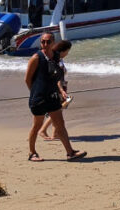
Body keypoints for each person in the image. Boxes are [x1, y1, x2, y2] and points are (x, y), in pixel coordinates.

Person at [27, 33, 85, 161]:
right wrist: (35, 92)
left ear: (53, 42)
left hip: (53, 97)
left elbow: (57, 76)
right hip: (39, 98)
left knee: (60, 124)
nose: (45, 44)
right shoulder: (36, 57)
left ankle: (70, 152)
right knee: (37, 126)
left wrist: (61, 90)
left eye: (48, 42)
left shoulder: (56, 57)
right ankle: (32, 153)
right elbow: (28, 79)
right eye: (43, 42)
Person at [38, 40, 72, 141]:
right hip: (58, 88)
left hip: (60, 87)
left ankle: (55, 133)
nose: (68, 53)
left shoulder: (57, 59)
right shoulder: (57, 61)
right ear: (63, 50)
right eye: (67, 51)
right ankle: (43, 130)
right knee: (57, 110)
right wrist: (61, 90)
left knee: (58, 110)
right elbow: (57, 78)